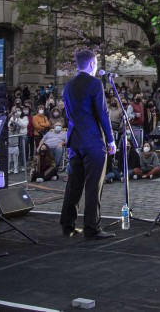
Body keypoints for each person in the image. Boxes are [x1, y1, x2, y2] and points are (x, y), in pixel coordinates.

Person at [59, 48, 116, 239]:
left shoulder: (68, 85)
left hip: (75, 140)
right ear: (92, 63)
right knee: (93, 185)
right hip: (92, 141)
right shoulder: (95, 84)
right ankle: (92, 228)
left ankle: (67, 225)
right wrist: (110, 139)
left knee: (74, 184)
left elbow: (68, 115)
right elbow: (102, 113)